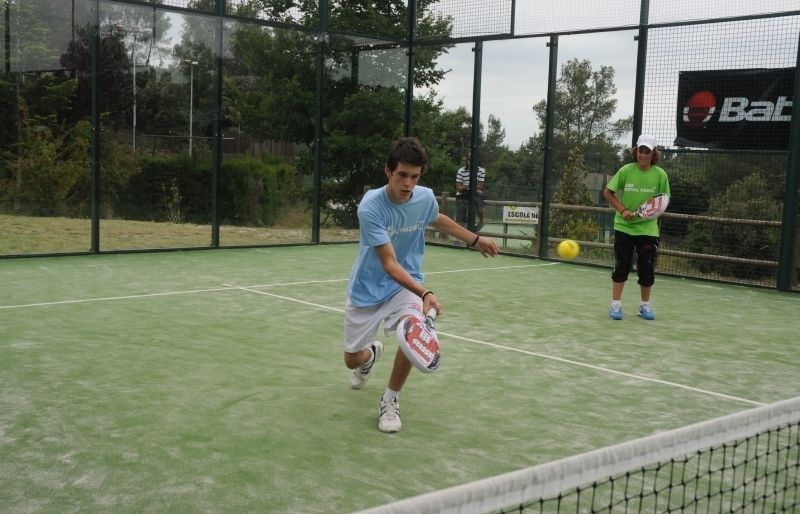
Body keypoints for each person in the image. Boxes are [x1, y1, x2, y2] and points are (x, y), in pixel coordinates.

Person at [345, 137, 499, 433]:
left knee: (412, 331)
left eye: (415, 177)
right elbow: (389, 263)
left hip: (407, 284)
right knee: (352, 359)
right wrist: (426, 293)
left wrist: (475, 239)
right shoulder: (371, 207)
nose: (408, 183)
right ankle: (371, 355)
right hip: (367, 288)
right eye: (402, 175)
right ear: (388, 171)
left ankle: (390, 399)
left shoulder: (424, 196)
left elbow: (437, 219)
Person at [602, 134, 670, 321]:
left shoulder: (660, 175)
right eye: (641, 150)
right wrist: (622, 210)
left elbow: (663, 201)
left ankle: (644, 306)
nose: (643, 155)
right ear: (636, 151)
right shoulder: (625, 171)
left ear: (653, 154)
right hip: (624, 227)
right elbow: (608, 192)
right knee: (621, 265)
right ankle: (616, 305)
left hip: (648, 230)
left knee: (646, 268)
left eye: (647, 151)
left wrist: (647, 214)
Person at [455, 157, 486, 230]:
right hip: (462, 194)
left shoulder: (481, 170)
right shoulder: (461, 170)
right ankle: (463, 235)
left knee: (479, 205)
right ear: (467, 161)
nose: (470, 162)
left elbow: (480, 186)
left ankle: (481, 220)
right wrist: (471, 186)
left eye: (472, 160)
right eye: (469, 159)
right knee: (461, 216)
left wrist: (465, 186)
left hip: (474, 192)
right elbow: (458, 188)